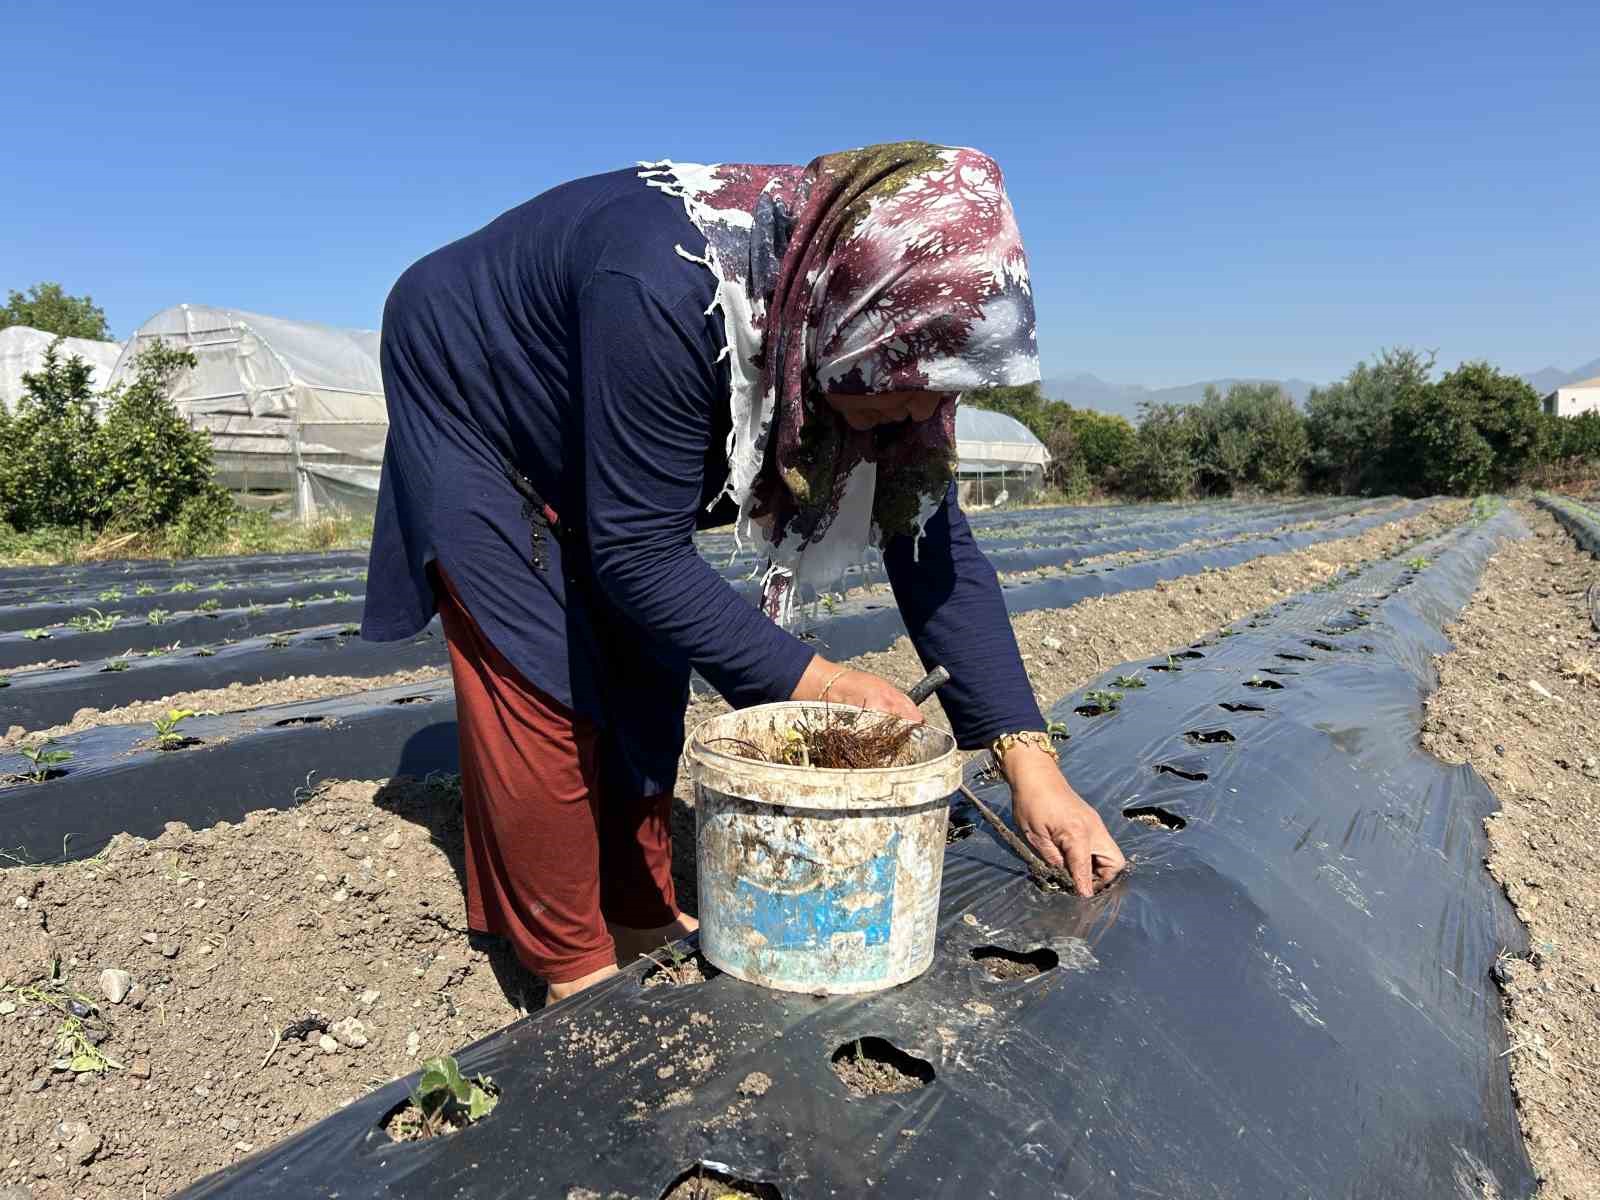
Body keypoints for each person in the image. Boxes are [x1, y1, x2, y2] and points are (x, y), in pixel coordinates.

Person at [362, 142, 1126, 1004]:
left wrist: (1032, 765)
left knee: (650, 662)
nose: (921, 411)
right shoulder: (669, 285)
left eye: (940, 391)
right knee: (546, 683)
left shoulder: (871, 343)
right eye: (911, 384)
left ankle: (643, 910)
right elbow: (637, 553)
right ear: (856, 314)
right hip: (471, 384)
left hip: (609, 386)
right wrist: (820, 679)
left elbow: (934, 549)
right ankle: (575, 969)